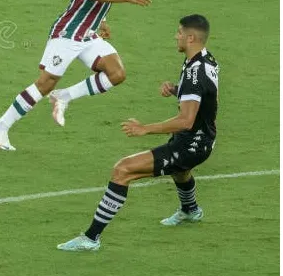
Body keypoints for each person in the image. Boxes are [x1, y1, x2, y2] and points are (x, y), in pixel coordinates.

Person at [57, 14, 218, 251]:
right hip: (200, 138)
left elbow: (185, 120)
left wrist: (145, 129)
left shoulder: (195, 73)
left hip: (191, 144)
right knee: (180, 171)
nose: (176, 36)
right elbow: (207, 97)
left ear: (191, 37)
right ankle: (190, 210)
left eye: (180, 33)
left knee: (123, 170)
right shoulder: (206, 60)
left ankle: (91, 238)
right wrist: (177, 90)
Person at [0, 0, 152, 151]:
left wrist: (102, 21)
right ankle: (0, 126)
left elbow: (100, 0)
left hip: (88, 35)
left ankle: (64, 97)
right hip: (68, 32)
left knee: (117, 73)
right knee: (45, 84)